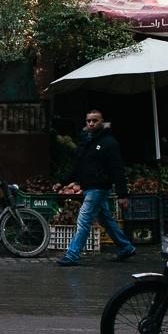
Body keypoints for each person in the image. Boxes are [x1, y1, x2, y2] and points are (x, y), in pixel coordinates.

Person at [55, 109, 134, 266]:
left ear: (102, 122)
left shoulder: (109, 144)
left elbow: (118, 170)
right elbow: (76, 166)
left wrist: (122, 195)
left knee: (83, 219)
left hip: (99, 188)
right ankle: (126, 248)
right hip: (89, 188)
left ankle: (73, 255)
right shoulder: (85, 142)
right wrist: (62, 182)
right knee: (106, 220)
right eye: (88, 121)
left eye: (95, 120)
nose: (91, 124)